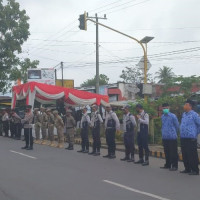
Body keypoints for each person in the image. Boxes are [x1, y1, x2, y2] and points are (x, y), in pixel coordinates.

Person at [180, 100, 200, 175]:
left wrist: (195, 133)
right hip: (183, 137)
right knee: (185, 154)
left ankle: (195, 170)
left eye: (186, 104)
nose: (184, 106)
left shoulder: (194, 115)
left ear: (190, 106)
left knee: (192, 154)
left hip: (191, 138)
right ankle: (187, 168)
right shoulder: (184, 114)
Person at [160, 103, 179, 171]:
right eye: (164, 108)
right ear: (162, 109)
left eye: (166, 108)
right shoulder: (162, 116)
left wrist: (173, 132)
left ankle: (174, 166)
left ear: (169, 108)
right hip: (165, 137)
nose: (165, 109)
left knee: (173, 152)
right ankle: (167, 164)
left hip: (172, 137)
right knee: (167, 151)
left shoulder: (173, 116)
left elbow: (177, 126)